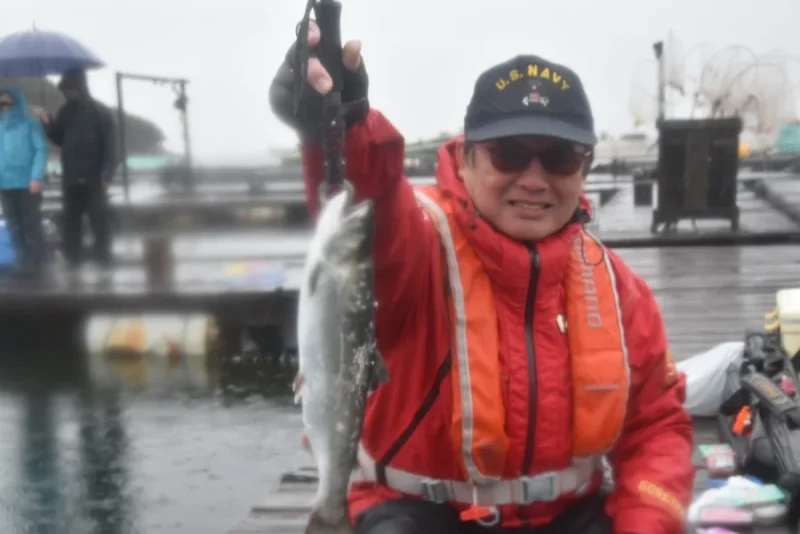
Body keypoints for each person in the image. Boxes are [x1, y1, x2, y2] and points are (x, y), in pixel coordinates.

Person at [270, 22, 694, 534]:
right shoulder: (419, 247)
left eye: (559, 158)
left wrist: (648, 521)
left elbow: (656, 427)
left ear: (584, 169)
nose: (534, 179)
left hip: (569, 514)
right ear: (465, 159)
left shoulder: (620, 288)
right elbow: (371, 207)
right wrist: (342, 124)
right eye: (509, 154)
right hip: (415, 513)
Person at [39, 68, 117, 270]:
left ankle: (103, 256)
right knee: (71, 220)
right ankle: (73, 257)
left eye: (69, 88)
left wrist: (106, 175)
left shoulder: (100, 111)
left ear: (81, 87)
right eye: (64, 89)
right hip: (71, 175)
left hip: (94, 177)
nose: (66, 93)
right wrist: (48, 125)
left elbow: (111, 148)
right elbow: (59, 139)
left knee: (98, 218)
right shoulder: (65, 111)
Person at [0, 87, 48, 278]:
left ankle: (36, 263)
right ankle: (22, 260)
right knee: (13, 224)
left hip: (28, 184)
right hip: (5, 184)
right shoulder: (0, 127)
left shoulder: (30, 125)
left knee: (31, 224)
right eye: (1, 104)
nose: (5, 107)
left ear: (17, 104)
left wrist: (36, 177)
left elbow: (41, 150)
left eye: (8, 103)